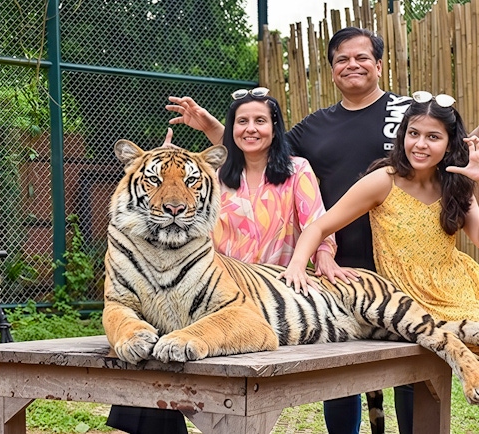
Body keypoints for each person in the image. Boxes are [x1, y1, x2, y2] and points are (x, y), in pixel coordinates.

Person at [165, 26, 479, 434]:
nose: (352, 65)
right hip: (341, 268)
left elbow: (458, 152)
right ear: (332, 70)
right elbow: (262, 147)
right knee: (341, 378)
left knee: (413, 370)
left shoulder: (406, 114)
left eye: (361, 57)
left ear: (380, 65)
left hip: (403, 267)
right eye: (341, 59)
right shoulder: (315, 126)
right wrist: (216, 128)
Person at [279, 92, 479, 434]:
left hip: (463, 290)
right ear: (402, 134)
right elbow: (319, 224)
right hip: (414, 301)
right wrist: (298, 265)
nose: (420, 144)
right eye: (413, 133)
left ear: (450, 143)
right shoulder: (385, 180)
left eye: (433, 137)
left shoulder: (452, 183)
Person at [107, 88, 347, 434]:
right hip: (210, 290)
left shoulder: (297, 170)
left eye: (260, 121)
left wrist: (322, 257)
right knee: (154, 351)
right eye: (242, 121)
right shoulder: (213, 175)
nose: (251, 128)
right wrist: (160, 169)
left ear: (275, 127)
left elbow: (319, 224)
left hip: (271, 292)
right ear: (231, 128)